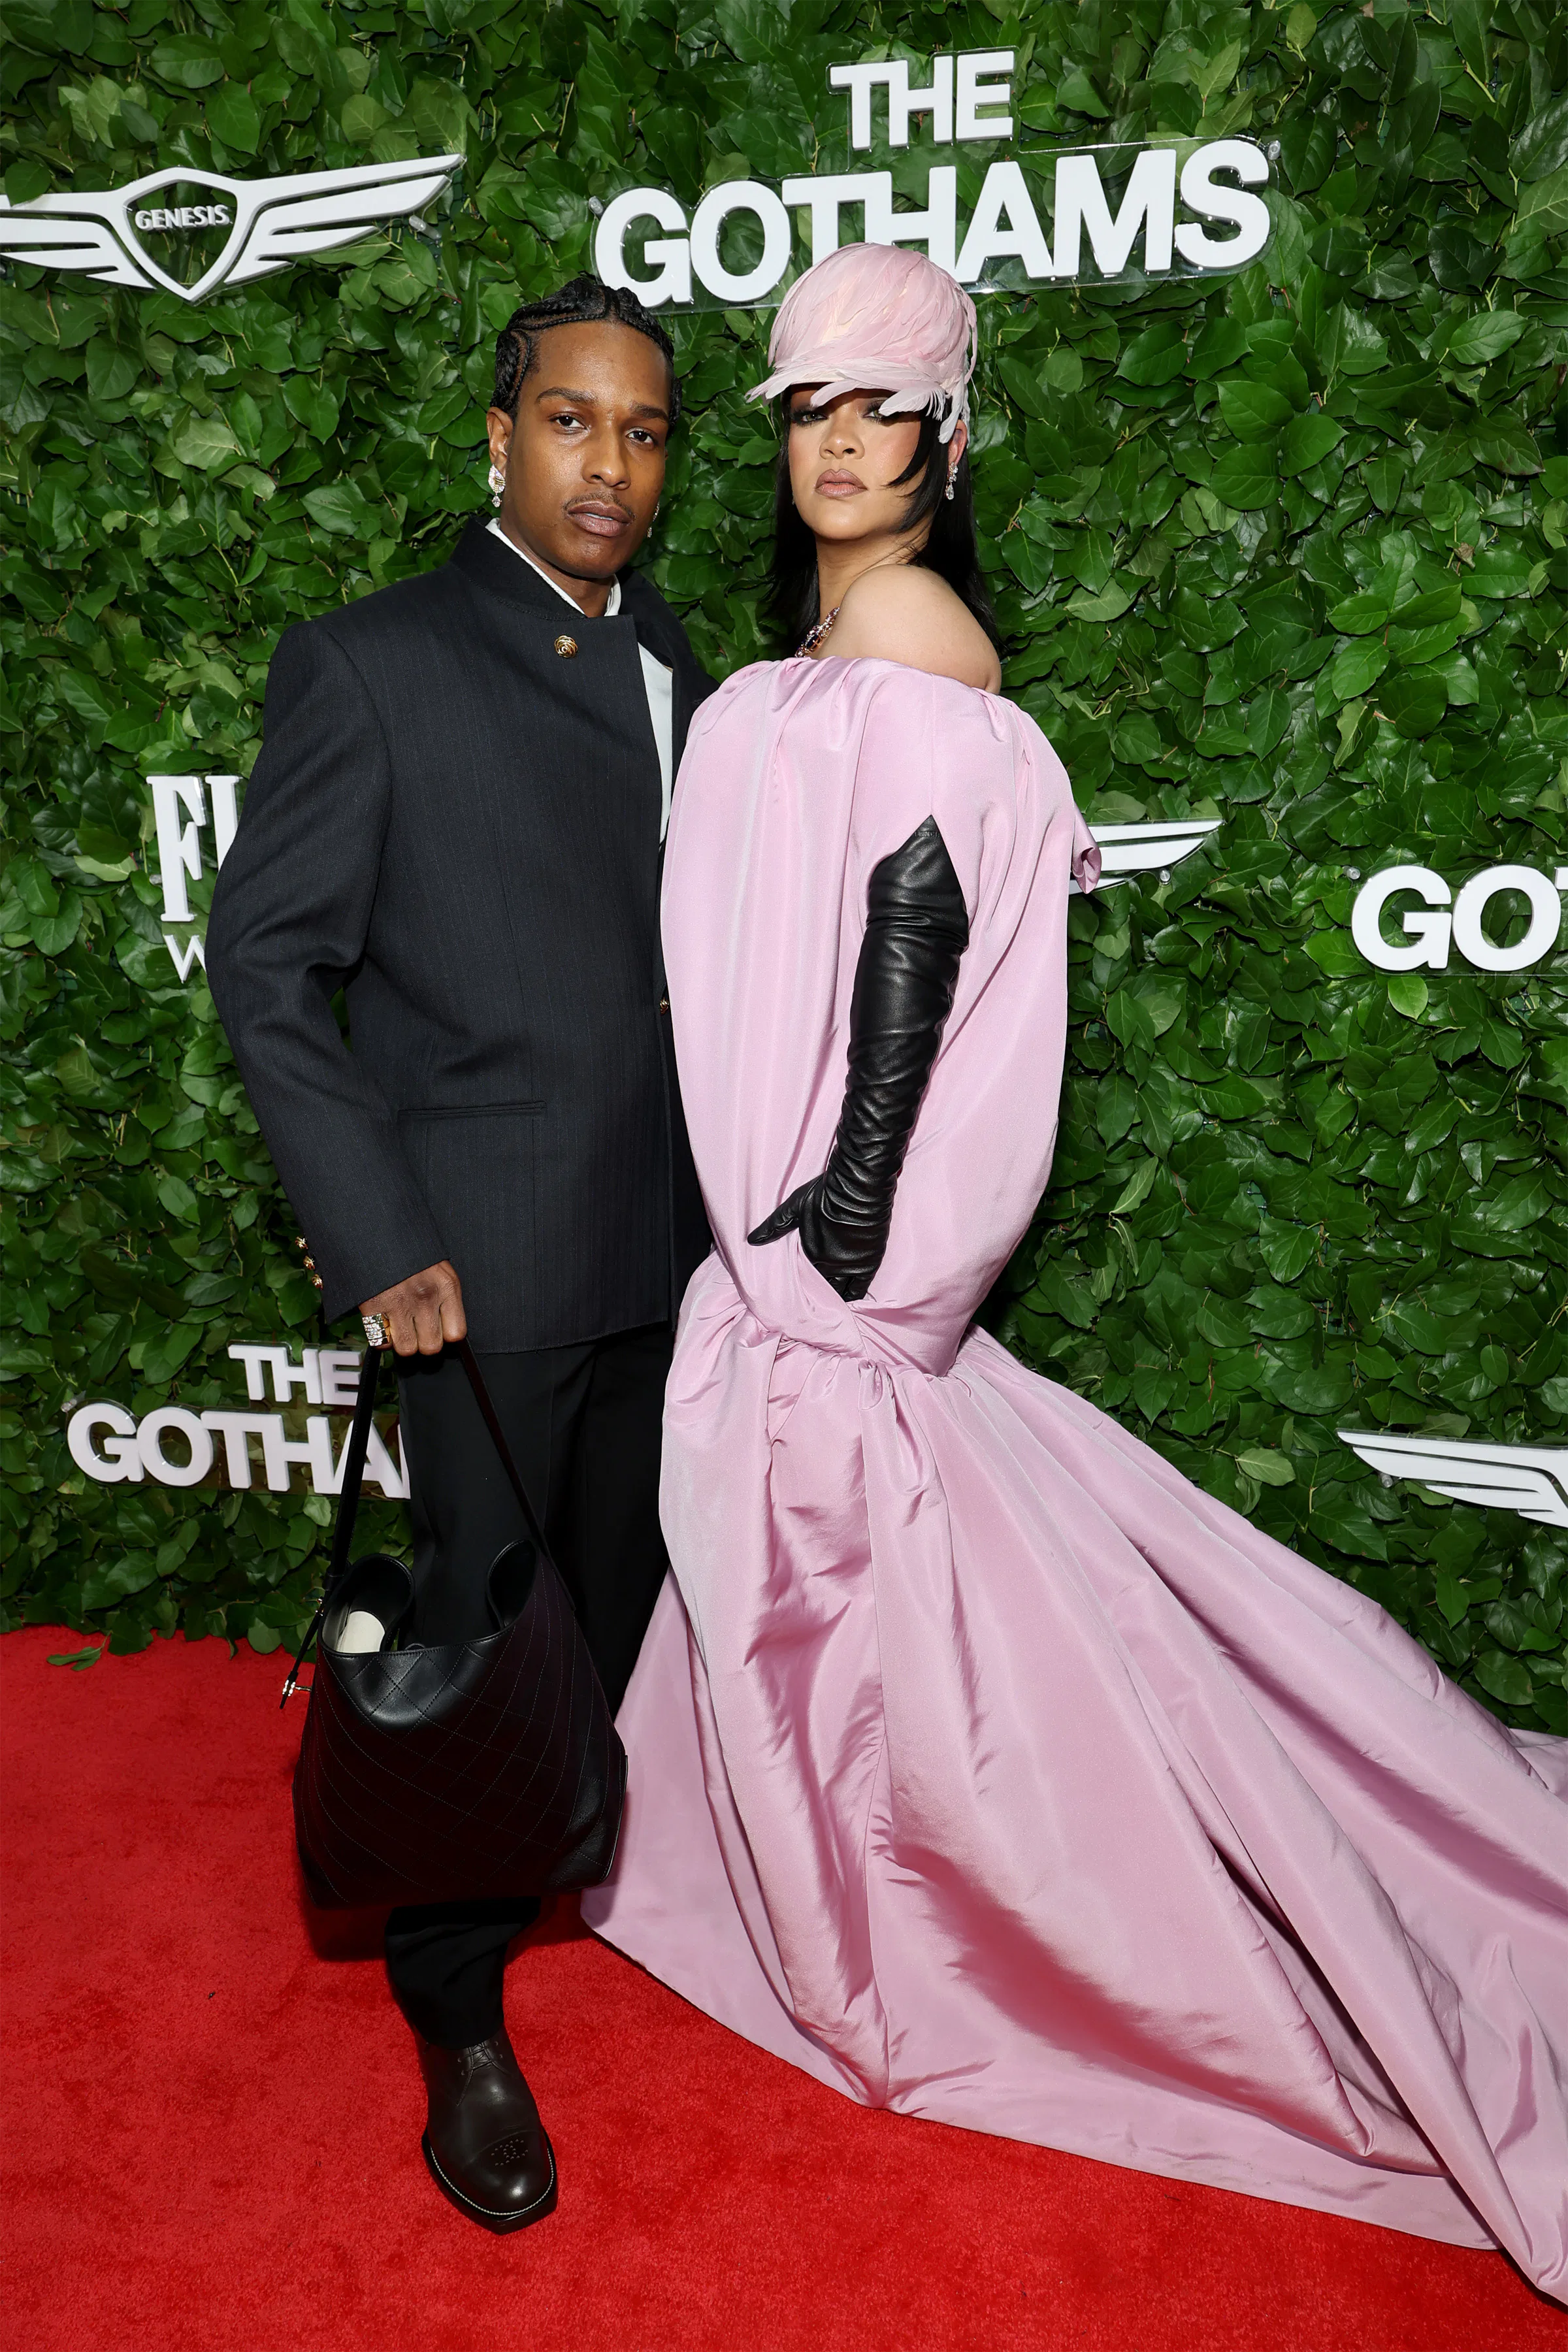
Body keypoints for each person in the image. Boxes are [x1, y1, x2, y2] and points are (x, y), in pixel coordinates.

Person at [581, 242, 1568, 2302]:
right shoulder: (836, 638)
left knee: (880, 1616)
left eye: (882, 410)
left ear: (948, 439)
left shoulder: (914, 640)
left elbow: (919, 926)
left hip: (822, 1271)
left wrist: (848, 1208)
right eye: (806, 410)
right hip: (785, 1255)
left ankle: (933, 1930)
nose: (839, 442)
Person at [206, 274, 713, 2234]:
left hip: (676, 1258)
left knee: (612, 1612)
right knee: (463, 1663)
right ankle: (455, 2010)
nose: (611, 464)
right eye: (573, 422)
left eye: (647, 433)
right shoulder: (373, 662)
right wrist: (384, 1228)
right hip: (482, 1271)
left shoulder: (670, 642)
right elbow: (269, 967)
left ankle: (601, 1873)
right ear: (499, 439)